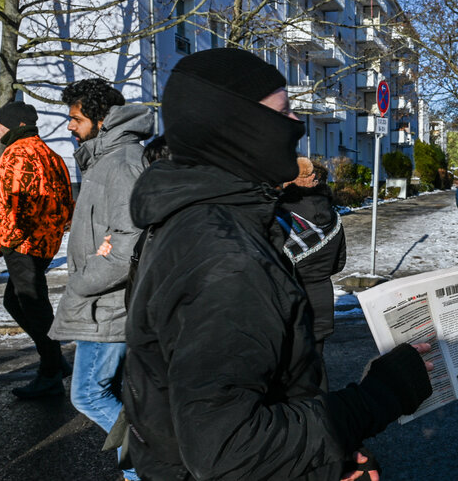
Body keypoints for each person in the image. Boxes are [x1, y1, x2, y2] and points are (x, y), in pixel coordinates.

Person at [122, 48, 432, 480]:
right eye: (283, 113)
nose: (297, 126)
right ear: (237, 128)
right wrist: (377, 398)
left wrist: (328, 458)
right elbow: (227, 449)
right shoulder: (225, 258)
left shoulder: (205, 216)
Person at [48, 78, 151, 481]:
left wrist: (84, 280)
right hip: (102, 302)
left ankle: (149, 466)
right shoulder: (105, 159)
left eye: (75, 118)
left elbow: (128, 244)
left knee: (88, 393)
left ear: (102, 119)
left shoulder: (122, 162)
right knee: (114, 395)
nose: (70, 126)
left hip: (107, 305)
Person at [0, 101, 74, 399]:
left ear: (17, 124)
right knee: (17, 301)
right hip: (44, 243)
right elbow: (66, 204)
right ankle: (54, 361)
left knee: (32, 305)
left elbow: (14, 205)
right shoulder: (52, 155)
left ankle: (50, 370)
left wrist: (2, 240)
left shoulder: (16, 153)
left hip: (22, 244)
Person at [274, 157, 347, 389]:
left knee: (292, 374)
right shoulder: (333, 216)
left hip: (292, 305)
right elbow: (339, 263)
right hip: (322, 302)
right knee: (317, 367)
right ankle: (323, 416)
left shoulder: (282, 218)